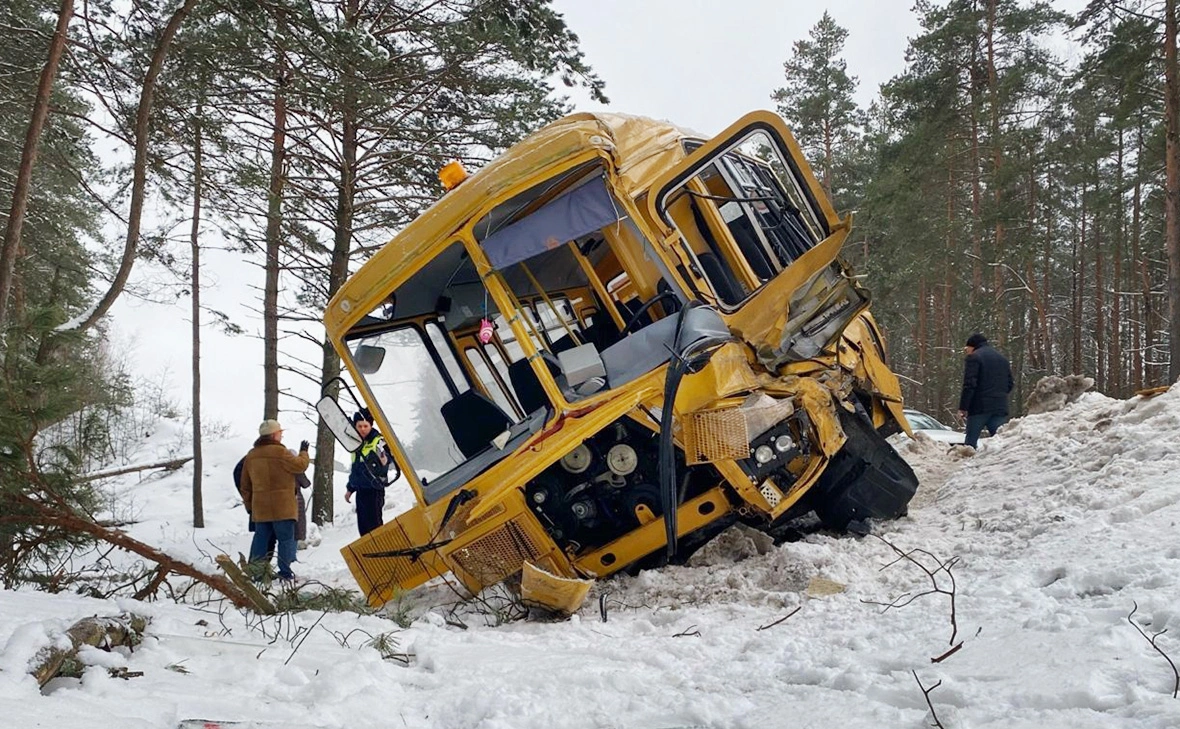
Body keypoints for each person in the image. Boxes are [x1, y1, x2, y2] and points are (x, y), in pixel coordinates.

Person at [238, 419, 310, 581]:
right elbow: (300, 466)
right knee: (285, 539)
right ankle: (284, 572)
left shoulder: (252, 455)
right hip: (283, 507)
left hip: (261, 508)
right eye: (280, 433)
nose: (281, 435)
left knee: (261, 538)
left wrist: (250, 506)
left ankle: (255, 572)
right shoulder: (281, 453)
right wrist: (304, 452)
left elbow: (245, 485)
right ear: (274, 434)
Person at [957, 332, 1014, 449]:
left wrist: (963, 407)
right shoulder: (1003, 359)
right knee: (1000, 444)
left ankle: (968, 465)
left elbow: (969, 384)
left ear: (972, 346)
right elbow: (1010, 384)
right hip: (999, 407)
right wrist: (999, 395)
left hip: (979, 407)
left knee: (970, 445)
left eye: (966, 348)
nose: (966, 351)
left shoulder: (974, 357)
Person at [346, 409, 391, 536]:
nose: (363, 429)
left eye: (366, 426)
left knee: (375, 526)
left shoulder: (378, 440)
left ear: (371, 426)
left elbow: (387, 459)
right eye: (359, 426)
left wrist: (384, 460)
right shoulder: (355, 444)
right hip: (361, 490)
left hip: (374, 488)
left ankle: (381, 549)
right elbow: (355, 469)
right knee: (364, 528)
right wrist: (350, 488)